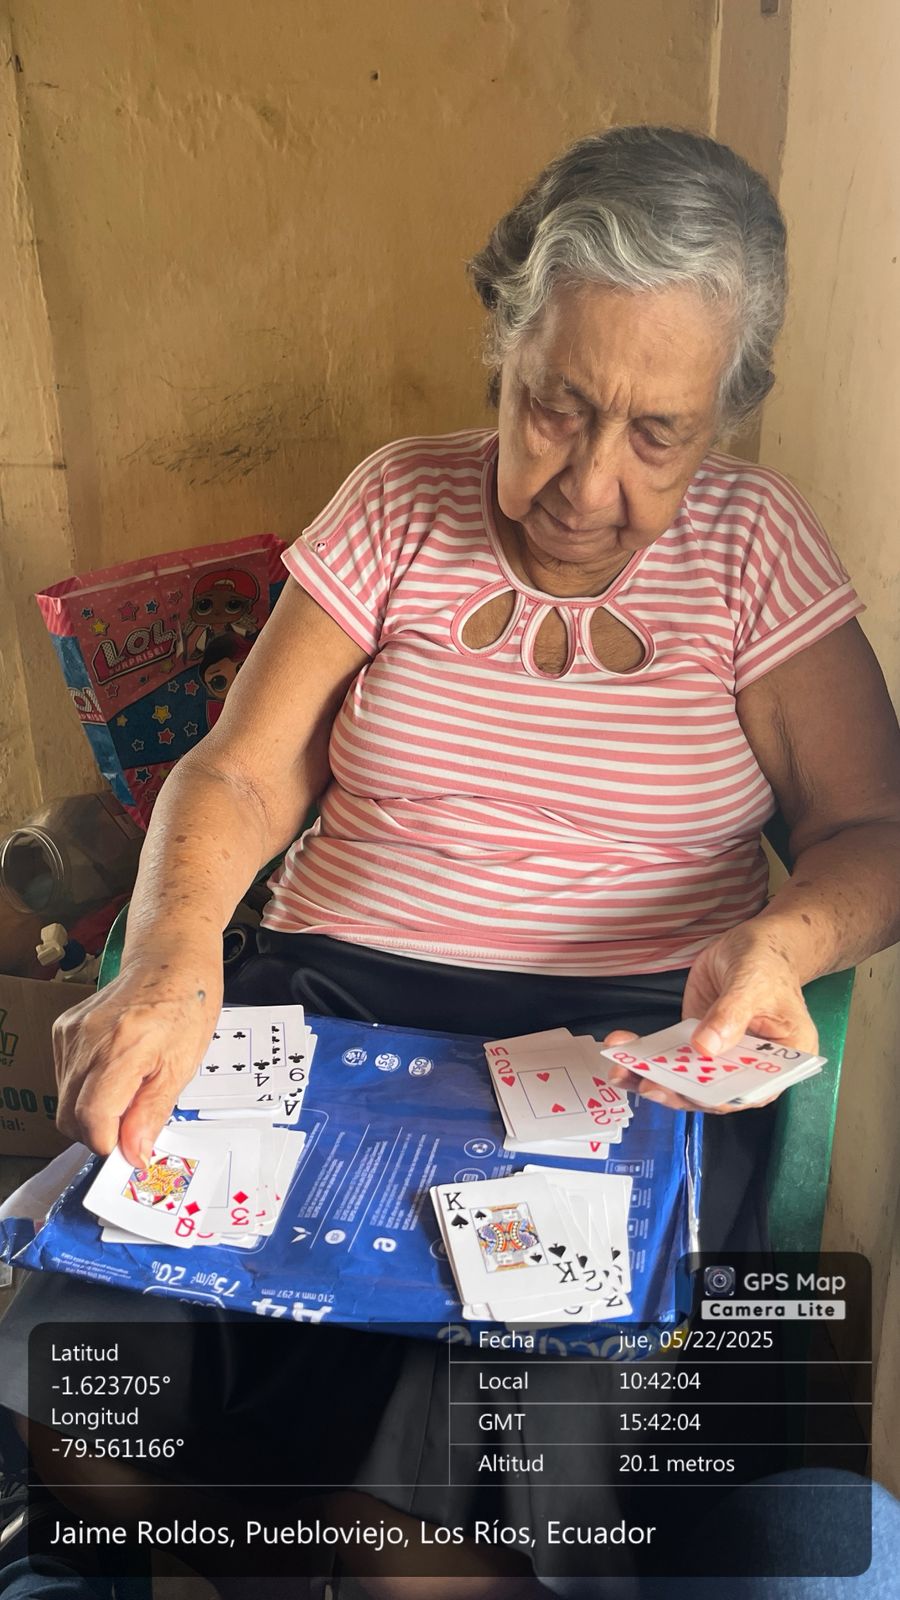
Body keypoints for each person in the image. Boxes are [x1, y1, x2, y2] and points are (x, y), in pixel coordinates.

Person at [2, 125, 899, 1600]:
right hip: (331, 1013)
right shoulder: (397, 503)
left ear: (728, 415)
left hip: (620, 1056)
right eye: (556, 407)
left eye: (658, 434)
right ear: (504, 345)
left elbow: (874, 831)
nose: (588, 484)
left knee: (452, 1483)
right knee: (88, 1368)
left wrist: (787, 940)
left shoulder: (757, 550)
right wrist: (171, 956)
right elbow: (238, 770)